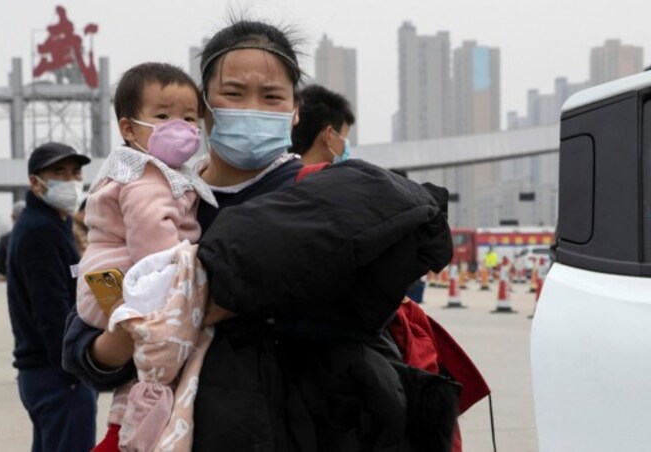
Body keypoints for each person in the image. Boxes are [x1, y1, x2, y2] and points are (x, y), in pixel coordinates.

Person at [63, 20, 464, 451]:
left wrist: (196, 302)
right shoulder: (159, 196)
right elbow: (83, 344)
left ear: (295, 111)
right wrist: (131, 335)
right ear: (205, 108)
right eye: (233, 94)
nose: (252, 107)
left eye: (272, 96)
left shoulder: (321, 199)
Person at [75, 62, 217, 450]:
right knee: (159, 365)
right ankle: (136, 432)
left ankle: (126, 424)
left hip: (106, 284)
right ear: (129, 128)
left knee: (142, 371)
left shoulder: (140, 170)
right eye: (163, 116)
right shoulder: (147, 177)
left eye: (190, 117)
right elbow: (154, 246)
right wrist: (189, 284)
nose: (182, 126)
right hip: (125, 281)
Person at [6, 142, 97, 452]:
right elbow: (51, 312)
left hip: (48, 374)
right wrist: (74, 371)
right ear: (36, 181)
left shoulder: (55, 223)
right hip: (58, 377)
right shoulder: (38, 231)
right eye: (59, 172)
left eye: (75, 172)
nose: (70, 180)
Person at [290, 83, 355, 165]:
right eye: (345, 137)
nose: (346, 146)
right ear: (329, 135)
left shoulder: (281, 175)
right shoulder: (337, 177)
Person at [0, 200, 25, 279]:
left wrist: (10, 273)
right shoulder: (40, 237)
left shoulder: (6, 239)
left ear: (12, 217)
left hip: (16, 285)